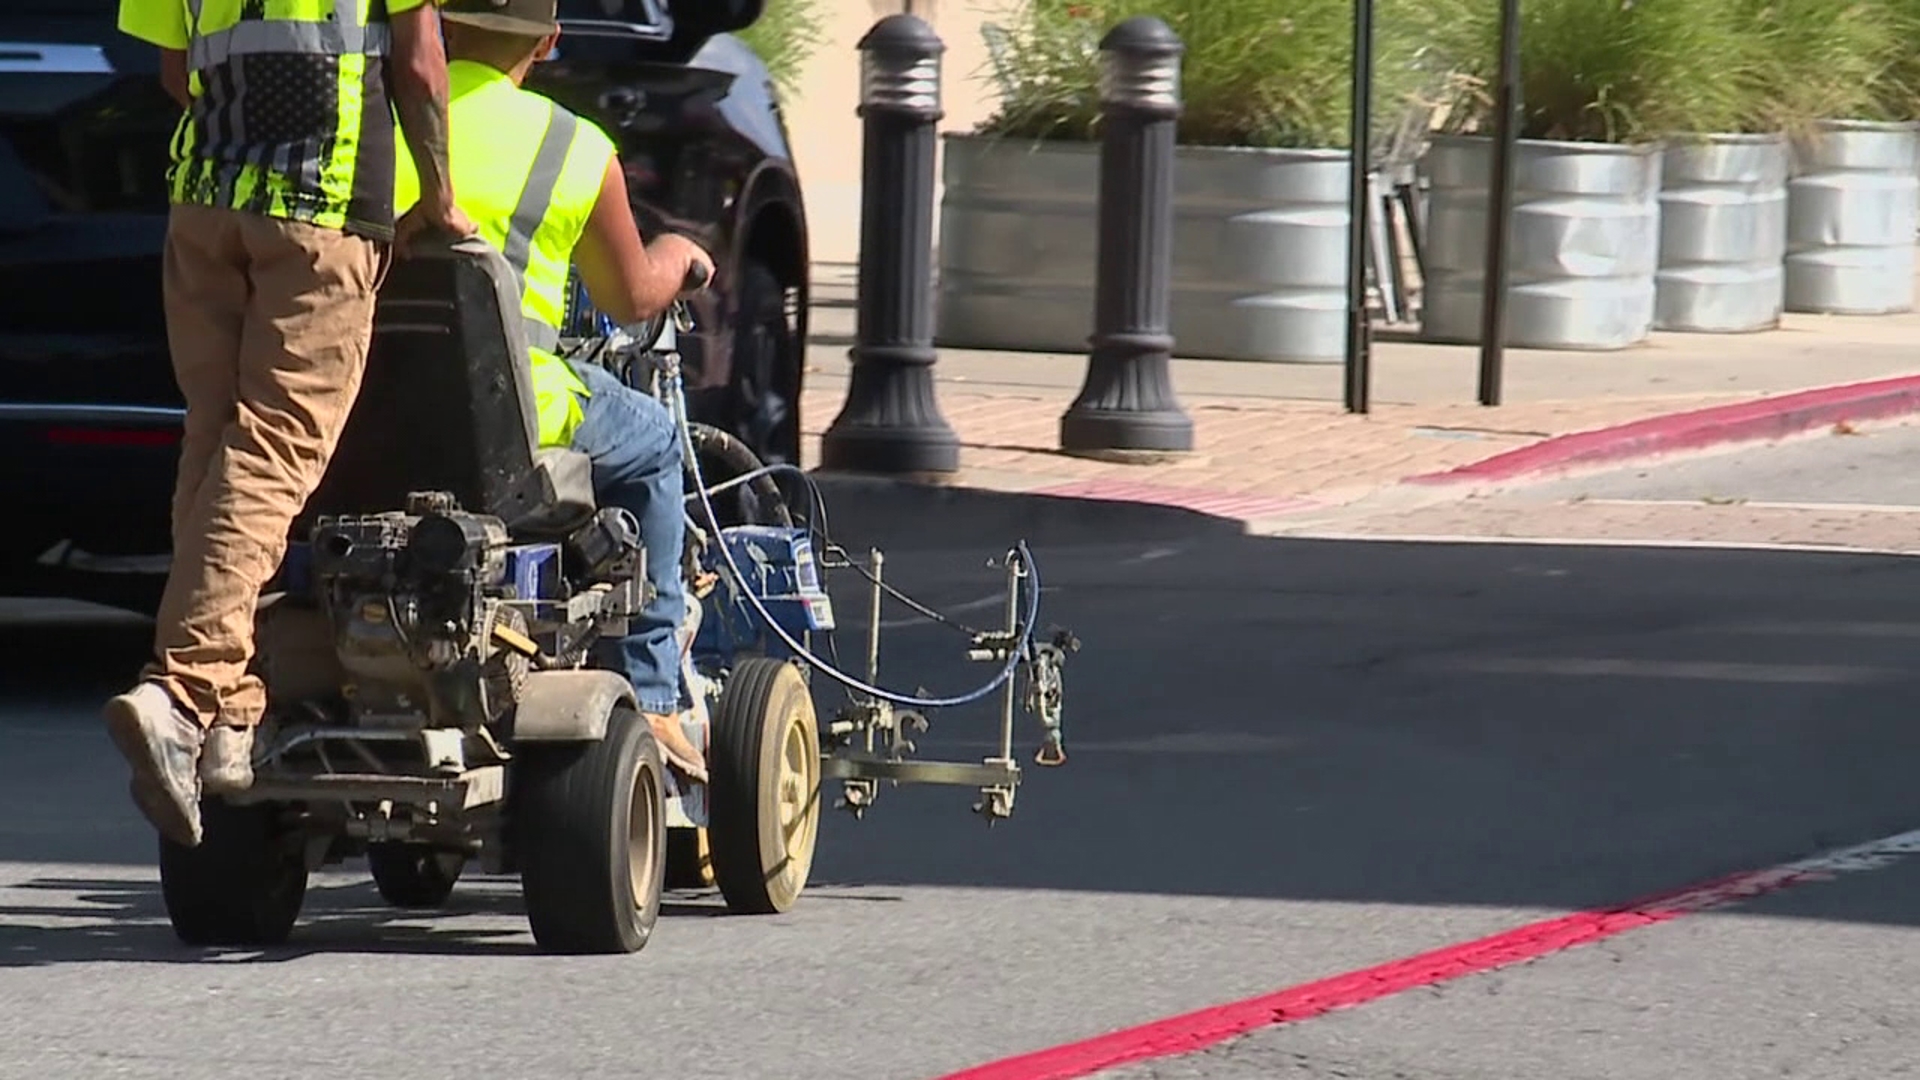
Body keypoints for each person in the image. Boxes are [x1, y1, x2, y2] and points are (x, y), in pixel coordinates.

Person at [106, 0, 476, 849]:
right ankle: (184, 692)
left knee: (216, 444)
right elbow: (419, 61)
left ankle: (232, 712)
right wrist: (439, 192)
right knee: (274, 448)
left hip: (204, 204)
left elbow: (176, 72)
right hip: (321, 204)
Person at [390, 0, 717, 779]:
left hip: (371, 412)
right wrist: (677, 255)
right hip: (524, 418)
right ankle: (655, 688)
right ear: (548, 40)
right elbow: (631, 298)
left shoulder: (373, 124)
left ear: (437, 22)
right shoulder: (575, 146)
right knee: (657, 438)